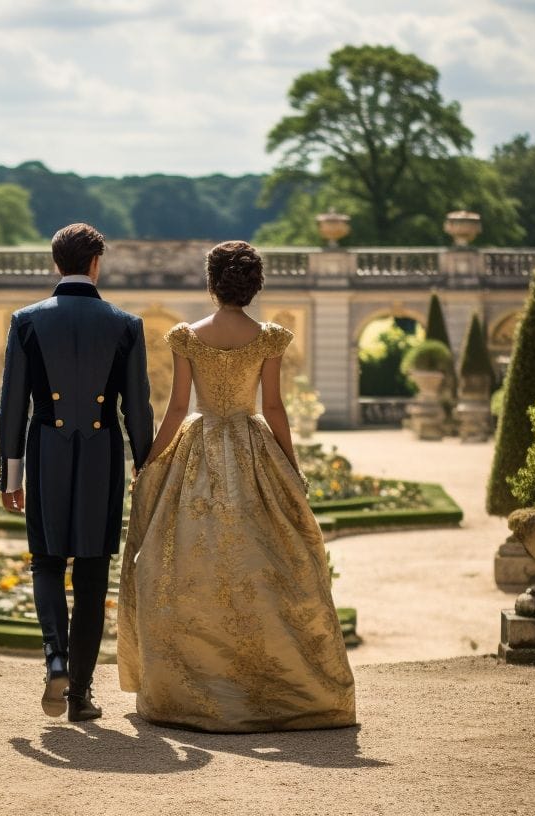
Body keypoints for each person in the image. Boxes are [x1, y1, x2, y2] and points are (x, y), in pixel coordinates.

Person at [118, 240, 356, 733]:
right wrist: (290, 465)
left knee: (188, 569)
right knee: (265, 568)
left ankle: (197, 686)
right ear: (255, 284)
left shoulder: (186, 336)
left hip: (198, 449)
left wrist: (148, 459)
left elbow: (178, 409)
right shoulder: (269, 337)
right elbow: (273, 409)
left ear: (212, 283)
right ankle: (269, 684)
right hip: (252, 447)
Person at [0, 223, 153, 722]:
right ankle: (80, 696)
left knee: (46, 562)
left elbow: (12, 408)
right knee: (91, 573)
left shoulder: (26, 321)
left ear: (55, 263)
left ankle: (56, 659)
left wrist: (11, 477)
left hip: (45, 450)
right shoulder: (126, 324)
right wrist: (144, 465)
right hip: (102, 453)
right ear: (95, 264)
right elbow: (139, 409)